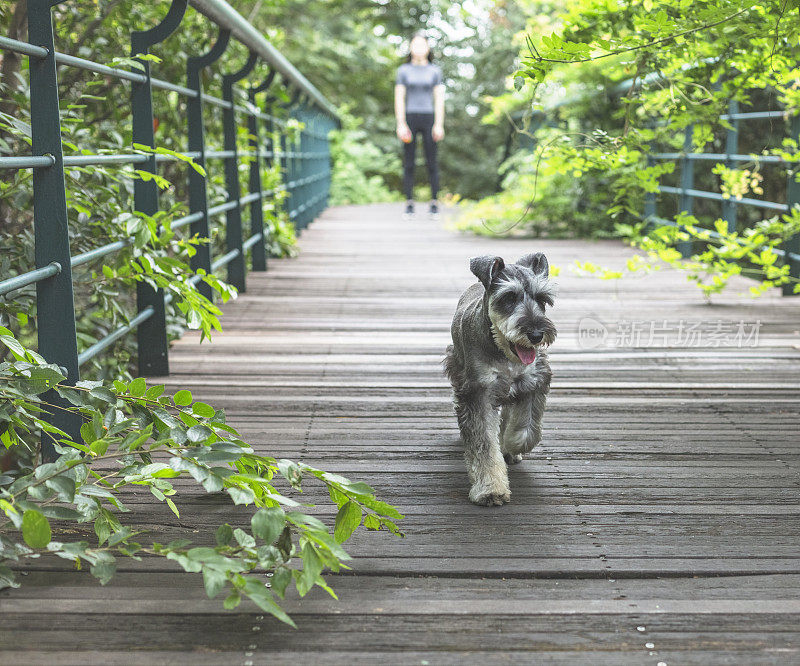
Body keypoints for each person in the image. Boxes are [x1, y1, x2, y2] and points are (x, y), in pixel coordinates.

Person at [394, 31, 445, 220]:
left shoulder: (434, 71)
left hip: (429, 118)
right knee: (409, 163)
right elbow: (399, 98)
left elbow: (439, 99)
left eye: (422, 44)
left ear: (428, 48)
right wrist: (401, 123)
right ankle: (409, 203)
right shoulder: (403, 70)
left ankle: (434, 203)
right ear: (410, 47)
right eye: (415, 44)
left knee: (432, 162)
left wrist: (439, 124)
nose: (418, 48)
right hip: (409, 118)